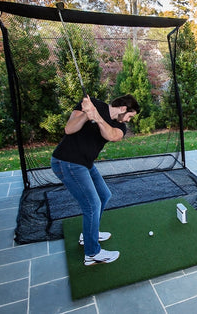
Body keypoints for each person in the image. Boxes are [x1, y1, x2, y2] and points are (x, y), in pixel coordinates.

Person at [51, 94, 140, 266]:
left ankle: (89, 234)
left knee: (104, 195)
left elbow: (111, 135)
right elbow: (69, 129)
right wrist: (86, 114)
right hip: (67, 161)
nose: (128, 120)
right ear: (123, 109)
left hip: (84, 163)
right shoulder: (92, 104)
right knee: (92, 205)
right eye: (129, 116)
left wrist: (97, 117)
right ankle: (92, 253)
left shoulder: (118, 125)